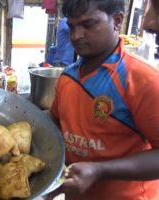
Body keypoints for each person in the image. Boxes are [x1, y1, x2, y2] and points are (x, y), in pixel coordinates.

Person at [47, 0, 159, 199]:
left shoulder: (143, 80)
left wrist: (101, 171)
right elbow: (54, 122)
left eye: (88, 25)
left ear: (117, 21)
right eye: (72, 26)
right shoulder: (68, 77)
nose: (76, 36)